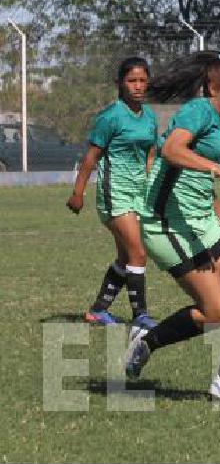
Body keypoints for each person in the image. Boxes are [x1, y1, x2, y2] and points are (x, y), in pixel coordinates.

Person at [124, 51, 220, 405]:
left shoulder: (217, 121)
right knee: (218, 312)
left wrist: (219, 215)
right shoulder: (197, 110)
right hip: (167, 225)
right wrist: (217, 169)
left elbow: (194, 181)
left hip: (203, 222)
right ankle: (147, 340)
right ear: (213, 88)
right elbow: (172, 151)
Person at [66, 57, 158, 337]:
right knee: (138, 253)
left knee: (125, 257)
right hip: (113, 192)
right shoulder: (111, 116)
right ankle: (140, 316)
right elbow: (91, 157)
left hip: (137, 192)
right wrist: (77, 193)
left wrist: (150, 185)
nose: (138, 86)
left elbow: (150, 153)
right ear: (120, 84)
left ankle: (98, 309)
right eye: (132, 81)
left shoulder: (150, 116)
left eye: (142, 80)